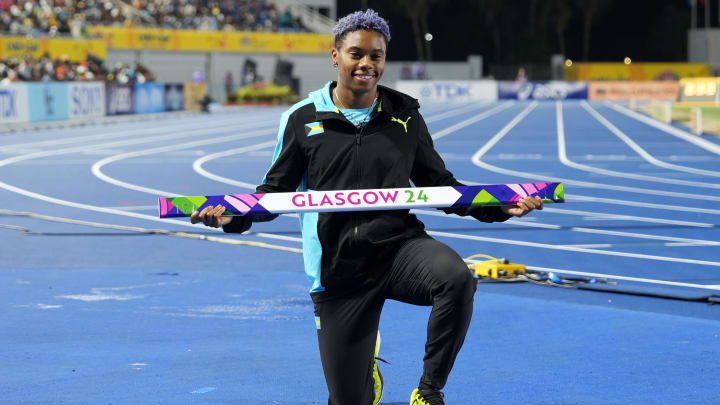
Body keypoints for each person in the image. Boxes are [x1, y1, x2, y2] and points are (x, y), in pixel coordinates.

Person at [191, 9, 543, 405]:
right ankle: (366, 374)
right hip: (339, 270)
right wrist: (231, 217)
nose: (366, 64)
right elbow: (274, 193)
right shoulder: (301, 120)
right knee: (349, 400)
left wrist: (499, 208)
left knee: (457, 279)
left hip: (398, 249)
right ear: (335, 56)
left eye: (376, 56)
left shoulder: (405, 116)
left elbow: (439, 187)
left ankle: (428, 393)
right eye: (357, 54)